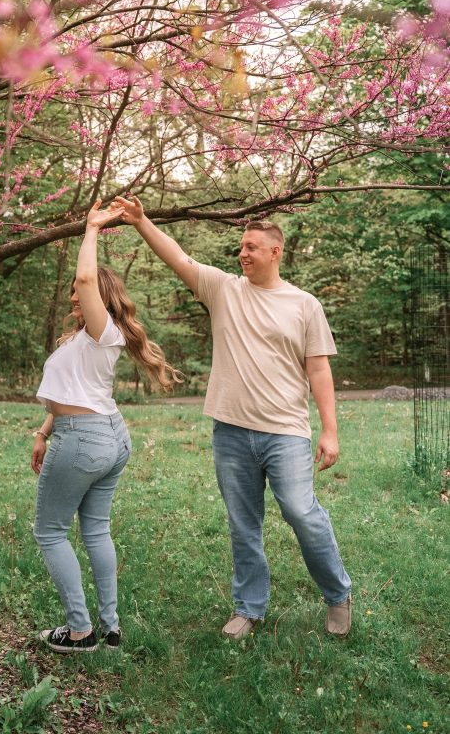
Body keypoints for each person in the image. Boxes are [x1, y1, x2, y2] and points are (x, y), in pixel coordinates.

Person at [112, 195, 352, 639]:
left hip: (286, 432)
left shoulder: (304, 305)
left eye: (251, 247)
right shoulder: (223, 289)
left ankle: (338, 595)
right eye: (241, 247)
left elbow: (319, 368)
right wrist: (142, 222)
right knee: (244, 524)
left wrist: (330, 431)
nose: (243, 253)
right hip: (232, 432)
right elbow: (178, 258)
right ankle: (249, 608)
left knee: (301, 511)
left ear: (275, 252)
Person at [31, 198, 180, 653]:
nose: (74, 296)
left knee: (50, 531)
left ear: (100, 295)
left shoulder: (102, 329)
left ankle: (79, 631)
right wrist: (43, 432)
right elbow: (72, 392)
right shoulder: (86, 337)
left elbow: (83, 277)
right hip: (107, 434)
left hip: (85, 441)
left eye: (83, 293)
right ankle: (111, 629)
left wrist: (92, 227)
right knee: (96, 530)